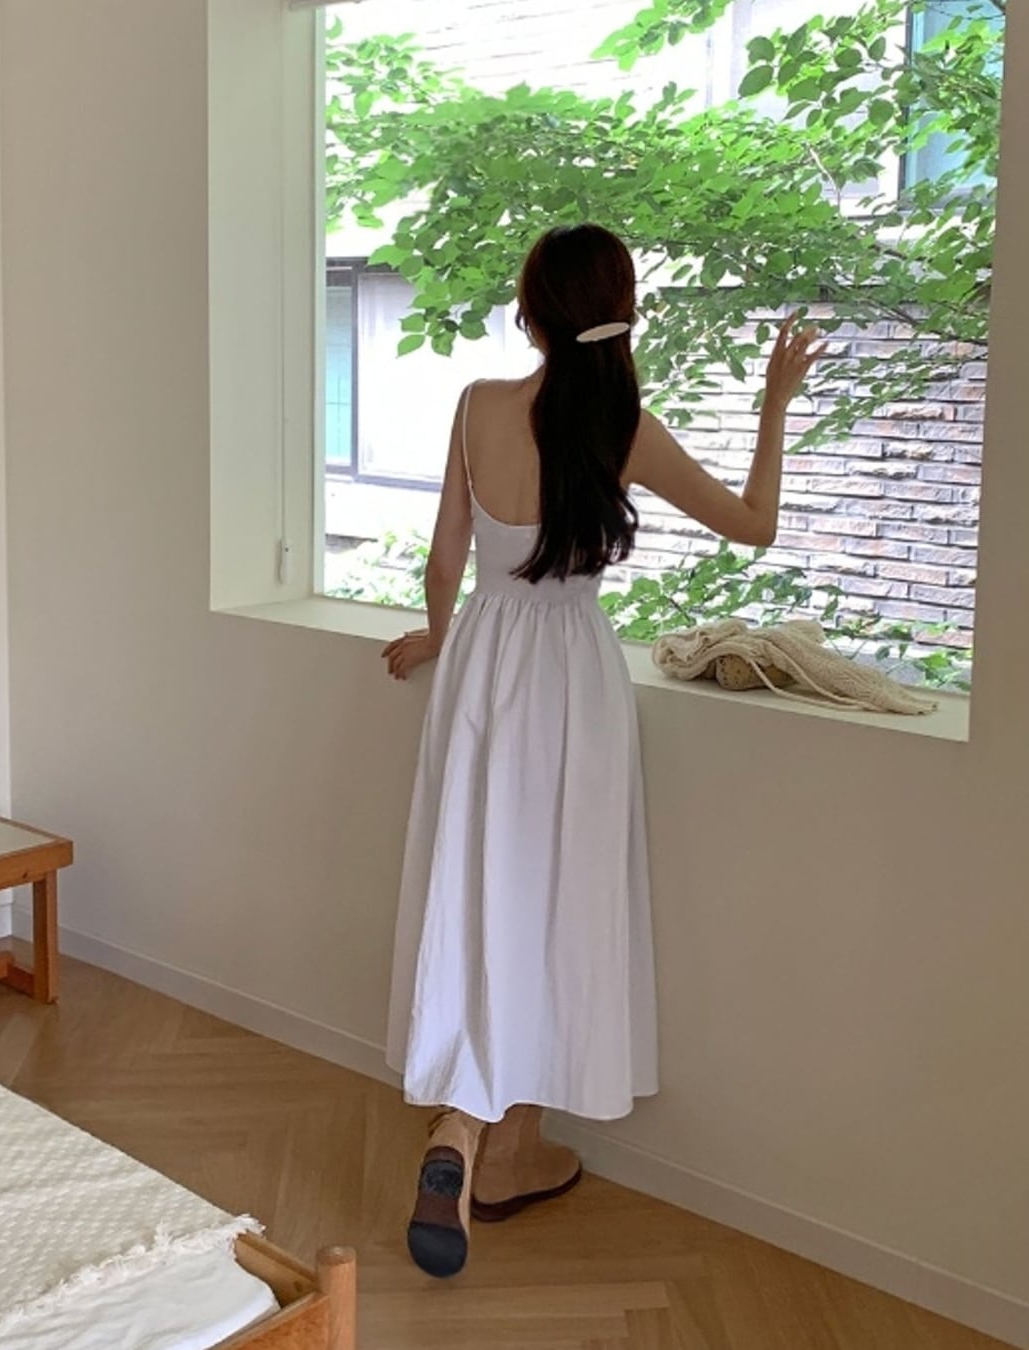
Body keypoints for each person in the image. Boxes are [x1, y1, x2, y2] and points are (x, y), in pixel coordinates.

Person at [382, 223, 825, 1279]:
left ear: (529, 312)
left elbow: (445, 557)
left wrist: (441, 638)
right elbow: (754, 525)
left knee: (480, 892)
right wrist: (774, 403)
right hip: (572, 678)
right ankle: (497, 1149)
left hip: (482, 668)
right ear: (620, 313)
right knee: (554, 906)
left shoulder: (477, 406)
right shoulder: (625, 429)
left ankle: (469, 1134)